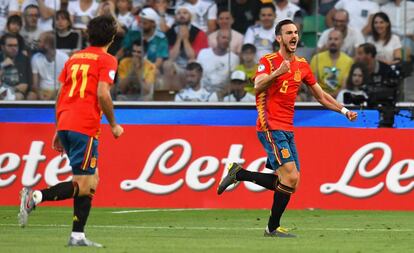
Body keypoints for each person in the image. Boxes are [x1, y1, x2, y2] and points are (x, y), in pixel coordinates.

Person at [217, 19, 357, 238]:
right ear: (279, 38)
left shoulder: (302, 64)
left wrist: (343, 110)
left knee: (292, 181)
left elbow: (320, 95)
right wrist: (277, 73)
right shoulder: (269, 61)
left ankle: (240, 175)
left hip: (288, 128)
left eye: (296, 32)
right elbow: (257, 85)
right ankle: (271, 227)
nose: (294, 36)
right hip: (269, 125)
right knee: (290, 177)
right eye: (288, 32)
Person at [18, 15, 124, 247]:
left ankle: (77, 235)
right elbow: (102, 94)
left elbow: (60, 95)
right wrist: (114, 124)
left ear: (89, 34)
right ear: (113, 36)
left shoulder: (74, 59)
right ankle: (35, 197)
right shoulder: (107, 60)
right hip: (84, 126)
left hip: (67, 122)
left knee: (90, 180)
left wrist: (59, 128)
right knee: (85, 184)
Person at [311, 29, 353, 98]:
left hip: (339, 98)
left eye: (336, 39)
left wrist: (329, 97)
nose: (332, 42)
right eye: (330, 39)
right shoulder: (316, 58)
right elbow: (313, 85)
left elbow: (344, 87)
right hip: (319, 97)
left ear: (342, 42)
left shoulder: (349, 61)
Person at [28, 31, 69, 100]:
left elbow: (66, 83)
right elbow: (35, 84)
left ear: (47, 45)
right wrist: (40, 94)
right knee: (31, 96)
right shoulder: (35, 58)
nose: (37, 44)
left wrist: (54, 94)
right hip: (42, 91)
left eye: (39, 41)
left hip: (58, 91)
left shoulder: (64, 58)